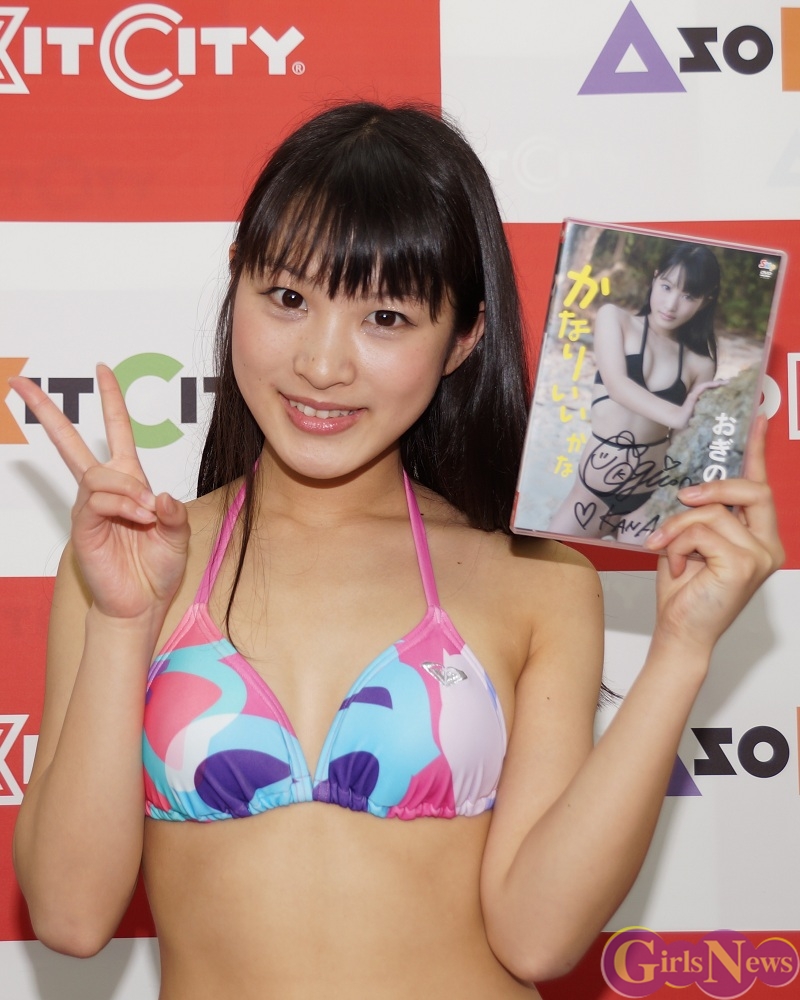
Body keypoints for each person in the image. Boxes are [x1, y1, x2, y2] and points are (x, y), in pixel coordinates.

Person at [10, 102, 782, 1000]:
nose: (323, 363)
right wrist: (123, 623)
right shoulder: (132, 563)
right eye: (288, 298)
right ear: (236, 280)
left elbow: (538, 939)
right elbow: (69, 916)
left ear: (463, 338)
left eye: (385, 317)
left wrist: (682, 649)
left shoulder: (531, 579)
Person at [549, 243, 724, 542]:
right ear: (655, 278)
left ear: (704, 302)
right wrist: (678, 415)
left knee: (634, 572)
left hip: (648, 497)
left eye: (688, 296)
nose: (671, 304)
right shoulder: (615, 319)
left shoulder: (700, 363)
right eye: (667, 286)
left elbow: (679, 444)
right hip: (593, 494)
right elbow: (617, 386)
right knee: (548, 559)